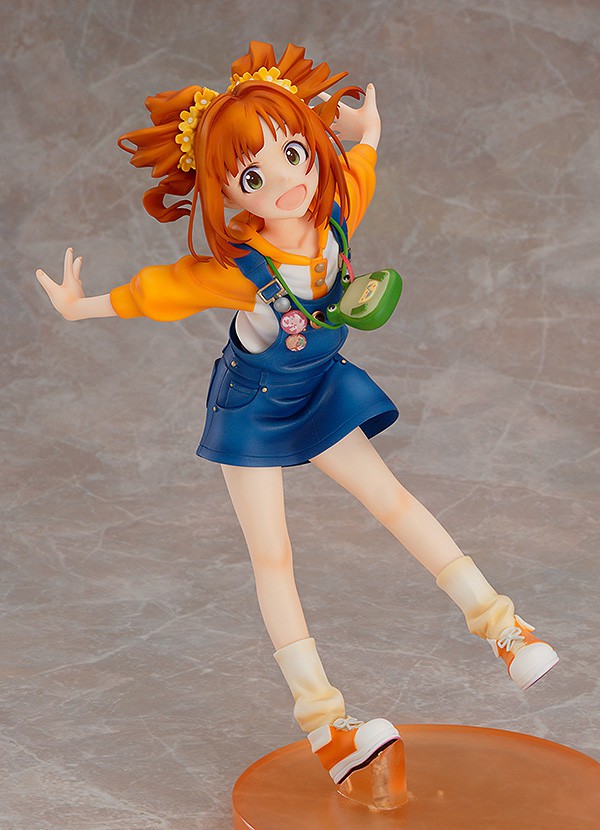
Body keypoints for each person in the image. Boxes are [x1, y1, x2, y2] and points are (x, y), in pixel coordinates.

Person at [35, 41, 558, 786]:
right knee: (273, 556)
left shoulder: (337, 213)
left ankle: (504, 628)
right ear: (225, 191)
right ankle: (326, 726)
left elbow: (362, 167)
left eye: (292, 154)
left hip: (319, 386)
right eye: (253, 177)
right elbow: (155, 293)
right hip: (252, 406)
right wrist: (77, 307)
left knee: (393, 499)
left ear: (312, 146)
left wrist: (368, 133)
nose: (285, 183)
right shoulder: (236, 270)